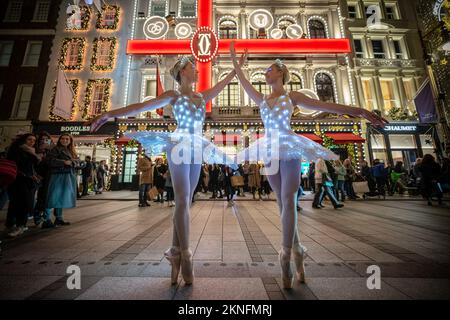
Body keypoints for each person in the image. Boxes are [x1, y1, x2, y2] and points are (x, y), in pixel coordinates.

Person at [230, 42, 386, 288]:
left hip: (290, 146)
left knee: (289, 198)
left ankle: (284, 255)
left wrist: (360, 111)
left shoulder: (293, 96)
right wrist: (234, 59)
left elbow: (327, 106)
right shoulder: (260, 98)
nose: (266, 72)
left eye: (270, 69)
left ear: (280, 72)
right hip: (269, 149)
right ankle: (298, 250)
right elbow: (241, 78)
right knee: (282, 202)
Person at [88, 54, 246, 286]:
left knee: (187, 201)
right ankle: (186, 254)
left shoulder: (201, 96)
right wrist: (110, 114)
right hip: (179, 144)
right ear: (183, 71)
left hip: (196, 146)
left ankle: (174, 252)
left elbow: (223, 85)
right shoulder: (174, 95)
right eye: (193, 67)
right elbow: (143, 106)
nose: (197, 70)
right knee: (182, 200)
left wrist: (236, 68)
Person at [5, 133, 41, 237]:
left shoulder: (32, 151)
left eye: (34, 141)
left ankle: (20, 225)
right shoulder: (16, 150)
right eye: (29, 139)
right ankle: (12, 224)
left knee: (25, 203)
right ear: (23, 140)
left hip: (28, 180)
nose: (32, 142)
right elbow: (15, 164)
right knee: (16, 202)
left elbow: (34, 166)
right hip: (17, 179)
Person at [45, 134, 79, 226]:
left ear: (70, 140)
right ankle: (46, 219)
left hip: (68, 175)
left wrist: (74, 162)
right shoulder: (55, 149)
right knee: (53, 196)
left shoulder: (71, 150)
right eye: (63, 139)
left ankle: (58, 218)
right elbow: (49, 160)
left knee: (61, 196)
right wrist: (63, 162)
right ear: (59, 140)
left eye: (67, 139)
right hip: (58, 175)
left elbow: (77, 161)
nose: (64, 140)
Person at [34, 131, 55, 228]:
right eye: (42, 139)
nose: (44, 141)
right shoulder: (34, 150)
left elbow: (53, 163)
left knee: (45, 197)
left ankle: (45, 218)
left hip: (48, 177)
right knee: (35, 199)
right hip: (35, 177)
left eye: (46, 139)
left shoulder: (52, 151)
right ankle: (37, 217)